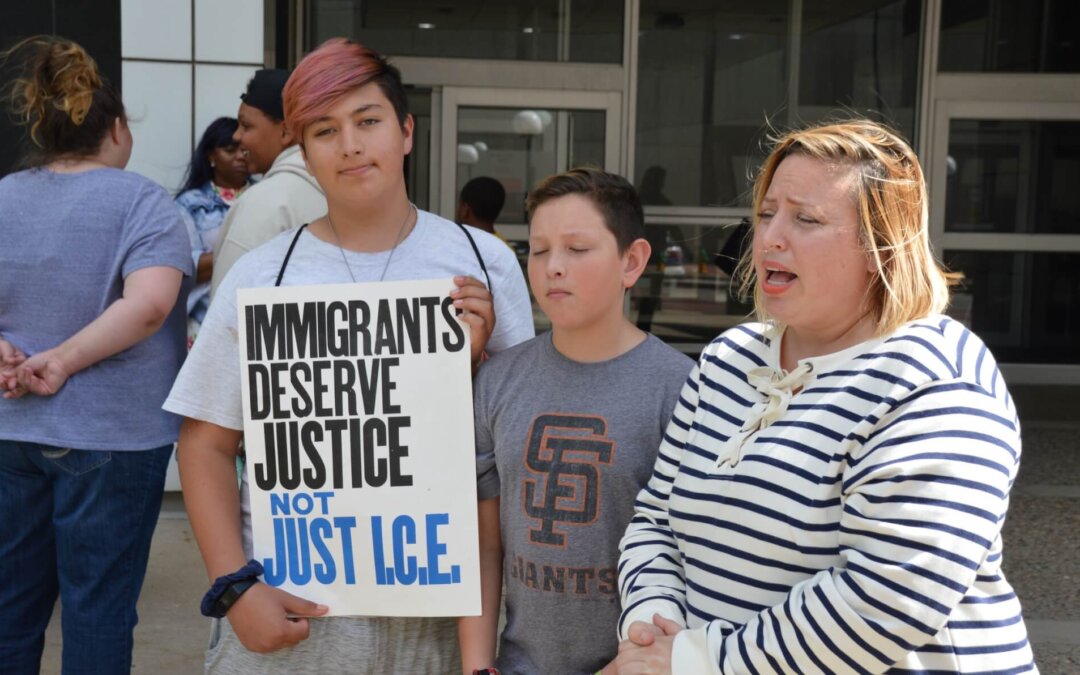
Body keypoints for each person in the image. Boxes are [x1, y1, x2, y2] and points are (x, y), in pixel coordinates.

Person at [163, 38, 534, 674]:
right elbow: (205, 443)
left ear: (406, 131)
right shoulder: (262, 278)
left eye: (369, 121)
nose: (352, 145)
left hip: (439, 617)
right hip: (293, 613)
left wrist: (474, 365)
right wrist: (234, 588)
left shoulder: (482, 263)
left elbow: (516, 442)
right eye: (325, 130)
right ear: (302, 152)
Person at [613, 119, 1036, 673]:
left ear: (881, 247)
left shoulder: (934, 380)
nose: (769, 238)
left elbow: (885, 599)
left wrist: (697, 660)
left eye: (806, 219)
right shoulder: (726, 358)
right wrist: (651, 626)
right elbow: (656, 522)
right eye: (767, 214)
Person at [0, 36, 192, 674]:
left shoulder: (4, 196)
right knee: (98, 609)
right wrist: (65, 359)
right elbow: (149, 306)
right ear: (117, 128)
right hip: (114, 438)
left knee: (10, 607)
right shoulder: (141, 201)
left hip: (9, 429)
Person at [459, 167, 693, 675]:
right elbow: (484, 544)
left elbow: (687, 559)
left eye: (576, 249)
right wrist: (478, 667)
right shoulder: (497, 382)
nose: (553, 267)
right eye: (539, 251)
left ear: (632, 262)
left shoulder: (683, 388)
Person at [208, 68, 327, 297]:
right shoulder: (345, 193)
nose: (236, 136)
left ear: (286, 132)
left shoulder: (265, 203)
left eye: (246, 125)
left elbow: (230, 312)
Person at [176, 116, 250, 332]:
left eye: (244, 150)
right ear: (211, 156)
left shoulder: (266, 196)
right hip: (205, 320)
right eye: (230, 149)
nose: (240, 157)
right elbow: (186, 269)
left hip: (255, 318)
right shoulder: (189, 205)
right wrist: (245, 249)